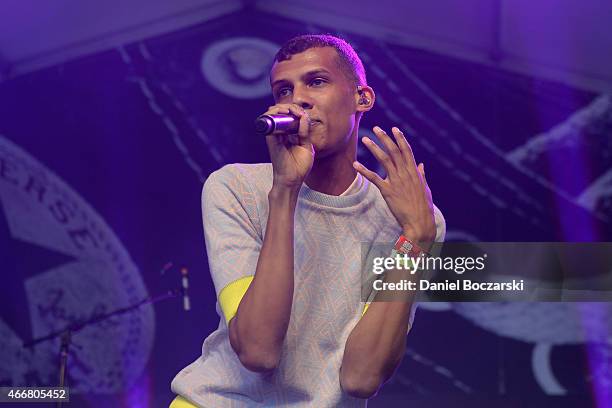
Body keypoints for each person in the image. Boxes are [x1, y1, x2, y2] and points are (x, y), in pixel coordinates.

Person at [170, 34, 445, 407]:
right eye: (283, 90)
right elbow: (258, 352)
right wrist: (285, 189)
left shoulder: (412, 221)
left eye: (316, 81)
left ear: (361, 98)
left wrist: (415, 238)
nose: (297, 99)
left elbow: (361, 377)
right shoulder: (236, 187)